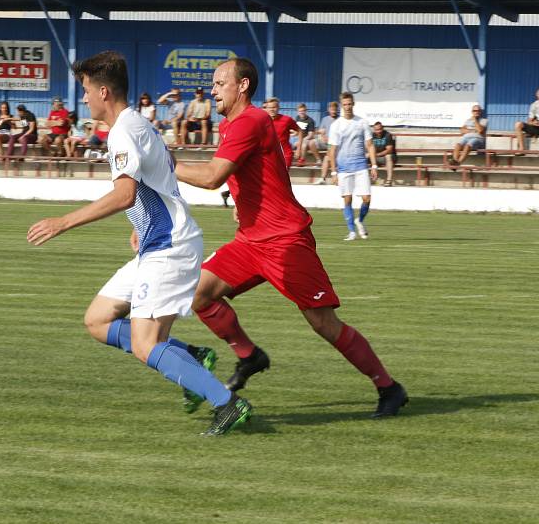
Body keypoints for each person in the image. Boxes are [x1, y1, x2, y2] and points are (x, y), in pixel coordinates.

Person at [27, 50, 252, 436]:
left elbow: (125, 194)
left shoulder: (124, 132)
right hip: (157, 242)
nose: (83, 98)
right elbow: (158, 180)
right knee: (97, 320)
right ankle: (192, 357)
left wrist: (64, 221)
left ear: (102, 91)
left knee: (146, 344)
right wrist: (141, 224)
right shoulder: (138, 124)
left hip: (170, 247)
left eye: (84, 90)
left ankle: (227, 403)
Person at [174, 58, 407, 419]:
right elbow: (250, 175)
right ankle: (250, 356)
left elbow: (211, 178)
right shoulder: (232, 124)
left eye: (220, 83)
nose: (213, 89)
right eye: (214, 83)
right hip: (251, 240)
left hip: (285, 240)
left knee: (323, 323)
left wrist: (163, 162)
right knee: (197, 293)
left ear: (242, 86)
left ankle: (389, 388)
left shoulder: (251, 120)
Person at [329, 92, 377, 242]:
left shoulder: (362, 122)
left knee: (367, 198)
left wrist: (374, 165)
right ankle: (351, 232)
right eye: (345, 104)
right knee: (347, 200)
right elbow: (332, 150)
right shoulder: (336, 125)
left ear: (353, 104)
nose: (348, 107)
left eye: (350, 104)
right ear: (341, 106)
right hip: (343, 168)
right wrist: (333, 171)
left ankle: (359, 220)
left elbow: (370, 145)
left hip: (361, 165)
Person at [263, 97, 301, 168]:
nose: (272, 109)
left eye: (274, 107)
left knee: (283, 177)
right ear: (267, 109)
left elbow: (300, 131)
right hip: (269, 156)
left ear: (278, 108)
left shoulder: (287, 120)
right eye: (270, 107)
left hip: (285, 154)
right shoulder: (262, 121)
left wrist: (299, 148)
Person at [312, 101, 340, 184]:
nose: (333, 111)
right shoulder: (325, 119)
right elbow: (321, 131)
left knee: (327, 157)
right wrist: (322, 136)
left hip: (336, 144)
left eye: (335, 109)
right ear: (329, 110)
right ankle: (318, 160)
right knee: (312, 142)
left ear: (337, 109)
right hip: (326, 142)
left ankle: (324, 178)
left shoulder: (340, 120)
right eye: (332, 109)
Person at [371, 121, 397, 186]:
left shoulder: (387, 135)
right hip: (376, 157)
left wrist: (376, 155)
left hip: (388, 157)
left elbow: (389, 150)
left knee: (388, 156)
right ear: (374, 130)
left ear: (382, 128)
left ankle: (389, 180)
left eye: (380, 129)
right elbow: (369, 148)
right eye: (376, 130)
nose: (378, 131)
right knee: (363, 156)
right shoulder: (371, 136)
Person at [514, 88, 539, 152]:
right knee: (518, 124)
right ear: (536, 95)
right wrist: (533, 123)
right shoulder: (534, 105)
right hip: (536, 128)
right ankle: (521, 149)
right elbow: (529, 121)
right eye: (538, 93)